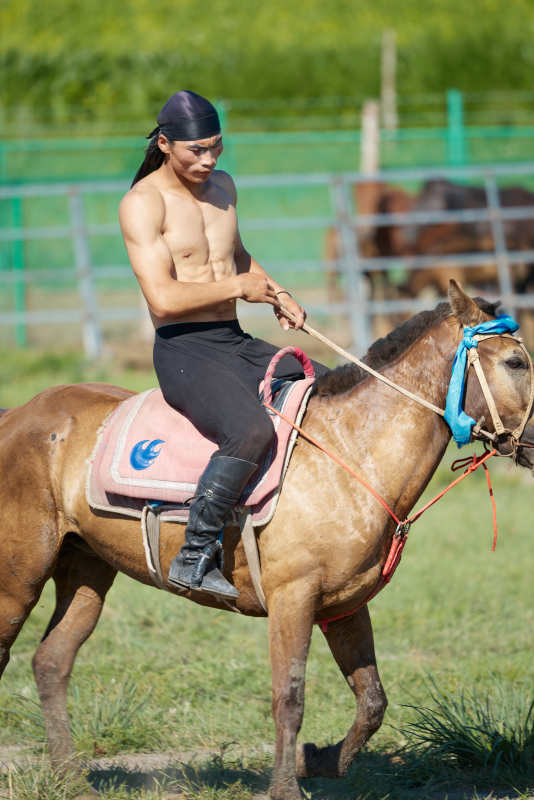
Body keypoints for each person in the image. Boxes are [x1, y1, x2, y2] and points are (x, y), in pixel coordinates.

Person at [119, 90, 327, 601]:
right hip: (184, 352)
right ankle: (194, 556)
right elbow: (163, 299)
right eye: (197, 151)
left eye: (216, 147)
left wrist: (276, 292)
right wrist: (239, 289)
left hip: (232, 339)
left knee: (331, 389)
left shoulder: (224, 187)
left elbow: (237, 257)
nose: (209, 160)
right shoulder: (142, 204)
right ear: (165, 144)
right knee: (249, 431)